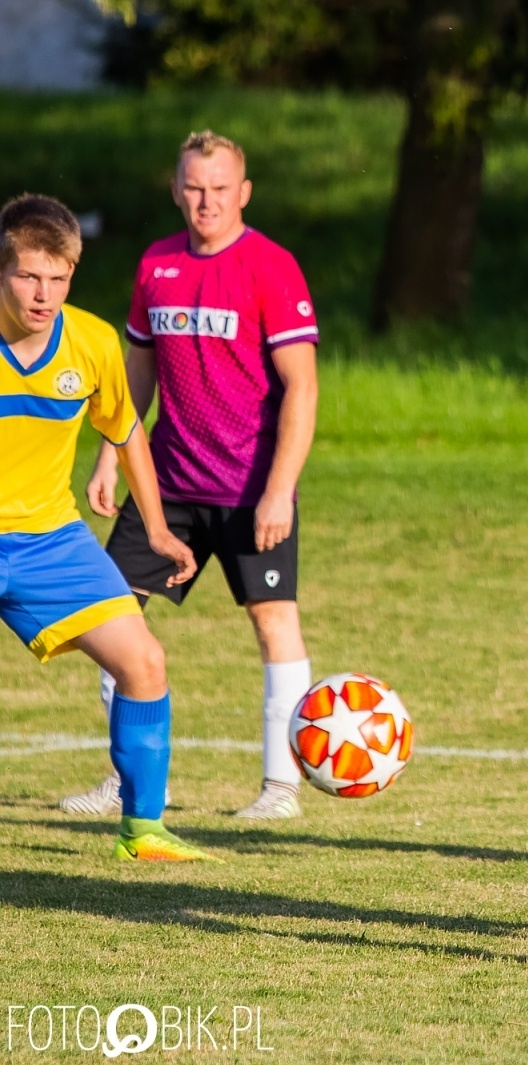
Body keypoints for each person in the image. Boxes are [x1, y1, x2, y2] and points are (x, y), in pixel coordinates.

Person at [58, 130, 320, 821]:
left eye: (220, 188)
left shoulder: (271, 267)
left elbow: (302, 386)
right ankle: (134, 780)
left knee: (273, 622)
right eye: (195, 187)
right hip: (167, 481)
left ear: (244, 192)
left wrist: (279, 490)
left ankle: (281, 788)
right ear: (176, 190)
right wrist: (111, 454)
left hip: (248, 487)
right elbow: (137, 372)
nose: (207, 201)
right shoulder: (157, 263)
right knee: (110, 616)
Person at [0, 193, 211, 861]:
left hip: (49, 539)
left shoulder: (91, 343)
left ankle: (142, 829)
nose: (44, 294)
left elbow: (126, 433)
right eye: (28, 276)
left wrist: (156, 528)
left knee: (143, 662)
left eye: (58, 277)